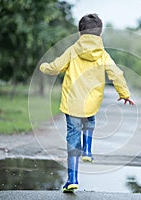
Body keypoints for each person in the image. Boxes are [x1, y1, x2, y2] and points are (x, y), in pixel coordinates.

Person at [40, 13, 135, 193]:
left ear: (79, 33)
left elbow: (56, 67)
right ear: (100, 34)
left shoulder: (73, 50)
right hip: (92, 101)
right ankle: (88, 151)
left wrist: (44, 66)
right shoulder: (103, 54)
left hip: (72, 102)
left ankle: (72, 179)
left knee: (72, 137)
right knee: (90, 120)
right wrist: (124, 94)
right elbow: (117, 74)